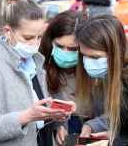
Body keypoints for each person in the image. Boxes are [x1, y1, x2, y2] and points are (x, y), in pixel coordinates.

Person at [0, 0, 73, 146]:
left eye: (39, 37)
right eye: (28, 37)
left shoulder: (37, 60)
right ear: (8, 31)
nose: (35, 44)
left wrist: (59, 120)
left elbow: (43, 106)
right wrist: (25, 116)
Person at [75, 15, 128, 145]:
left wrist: (115, 144)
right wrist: (114, 135)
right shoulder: (119, 68)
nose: (88, 63)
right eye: (84, 56)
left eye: (95, 57)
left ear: (114, 50)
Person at [40, 10, 108, 143]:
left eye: (72, 49)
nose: (65, 53)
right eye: (60, 46)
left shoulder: (96, 66)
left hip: (95, 126)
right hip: (64, 125)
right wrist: (57, 125)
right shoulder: (42, 63)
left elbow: (115, 112)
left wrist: (93, 125)